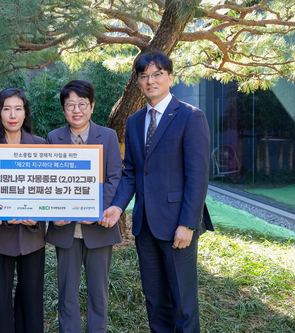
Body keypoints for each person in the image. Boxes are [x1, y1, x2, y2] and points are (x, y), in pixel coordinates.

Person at [103, 51, 214, 332]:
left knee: (183, 304)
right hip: (145, 226)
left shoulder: (191, 116)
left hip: (178, 225)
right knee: (155, 302)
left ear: (170, 77)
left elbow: (198, 177)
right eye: (144, 76)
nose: (150, 81)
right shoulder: (134, 121)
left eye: (157, 74)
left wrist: (188, 224)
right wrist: (117, 206)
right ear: (139, 82)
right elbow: (131, 172)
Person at [46, 80, 122, 333]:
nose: (76, 110)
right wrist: (52, 216)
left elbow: (114, 178)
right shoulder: (53, 138)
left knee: (98, 293)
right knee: (67, 293)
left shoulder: (108, 136)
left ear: (91, 106)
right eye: (70, 105)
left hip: (98, 227)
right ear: (63, 109)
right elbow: (48, 182)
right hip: (65, 229)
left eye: (82, 104)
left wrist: (95, 210)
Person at [0, 88, 46, 333]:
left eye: (18, 108)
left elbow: (47, 188)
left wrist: (38, 215)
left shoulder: (40, 145)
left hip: (32, 235)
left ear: (25, 113)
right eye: (6, 108)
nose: (12, 115)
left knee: (32, 301)